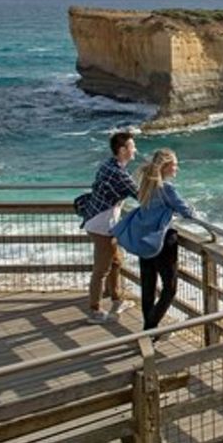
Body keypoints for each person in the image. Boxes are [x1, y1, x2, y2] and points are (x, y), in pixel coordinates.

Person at [113, 148, 195, 333]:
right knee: (170, 288)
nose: (177, 168)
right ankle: (150, 329)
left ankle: (149, 327)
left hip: (144, 240)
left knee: (148, 286)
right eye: (174, 164)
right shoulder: (167, 188)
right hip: (163, 241)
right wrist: (187, 208)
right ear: (165, 167)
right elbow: (187, 212)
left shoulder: (146, 184)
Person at [79, 131, 139, 324]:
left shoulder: (109, 165)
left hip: (98, 220)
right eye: (132, 146)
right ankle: (95, 310)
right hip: (102, 226)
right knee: (101, 269)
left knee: (116, 262)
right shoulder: (118, 173)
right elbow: (140, 194)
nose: (135, 149)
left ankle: (116, 299)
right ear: (122, 150)